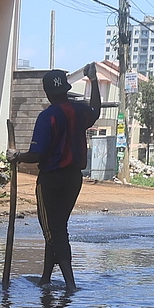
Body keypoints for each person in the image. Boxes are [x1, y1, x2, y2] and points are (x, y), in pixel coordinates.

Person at [13, 66, 102, 288]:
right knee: (55, 228)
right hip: (73, 180)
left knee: (54, 230)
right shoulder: (80, 111)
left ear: (47, 93)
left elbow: (37, 154)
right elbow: (96, 110)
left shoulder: (48, 117)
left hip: (51, 180)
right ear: (66, 89)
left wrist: (17, 156)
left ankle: (70, 284)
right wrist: (94, 80)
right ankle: (45, 279)